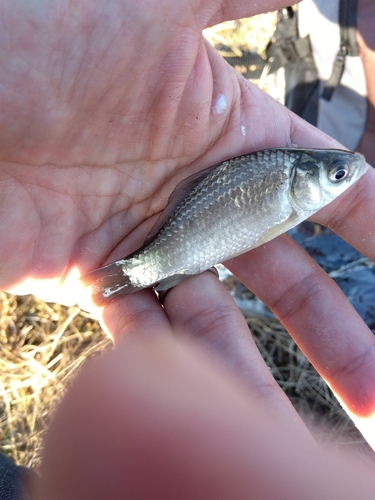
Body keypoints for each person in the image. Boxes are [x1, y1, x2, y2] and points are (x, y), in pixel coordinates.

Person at [0, 0, 374, 498]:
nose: (344, 181)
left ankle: (134, 275)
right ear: (304, 180)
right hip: (177, 240)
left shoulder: (287, 182)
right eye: (336, 177)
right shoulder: (284, 183)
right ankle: (133, 275)